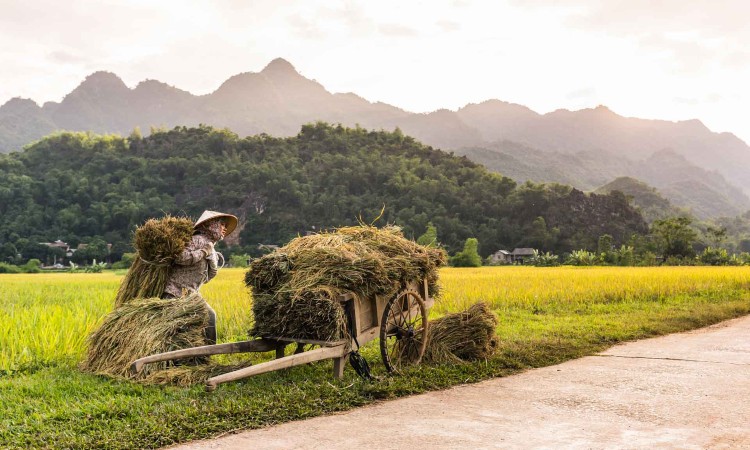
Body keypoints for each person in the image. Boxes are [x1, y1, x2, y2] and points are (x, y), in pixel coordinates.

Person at [162, 210, 238, 345]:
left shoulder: (210, 246)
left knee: (209, 317)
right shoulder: (197, 240)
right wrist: (203, 252)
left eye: (226, 226)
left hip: (191, 294)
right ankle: (199, 355)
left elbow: (207, 276)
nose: (224, 228)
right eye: (222, 224)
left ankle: (205, 355)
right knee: (182, 328)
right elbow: (180, 258)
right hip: (176, 292)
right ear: (211, 225)